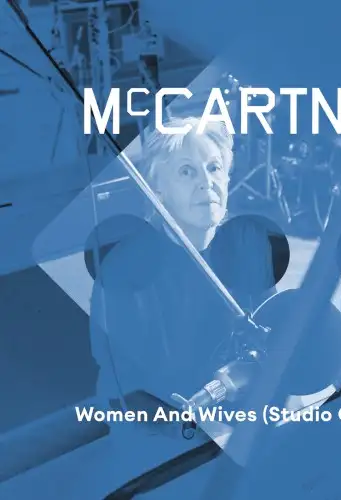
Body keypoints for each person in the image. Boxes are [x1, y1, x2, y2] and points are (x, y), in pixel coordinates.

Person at [89, 117, 277, 414]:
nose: (206, 182)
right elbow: (125, 386)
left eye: (214, 168)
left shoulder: (248, 245)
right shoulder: (123, 270)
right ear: (157, 190)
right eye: (186, 171)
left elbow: (274, 337)